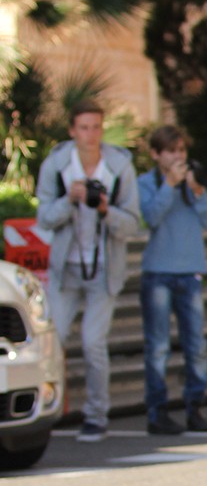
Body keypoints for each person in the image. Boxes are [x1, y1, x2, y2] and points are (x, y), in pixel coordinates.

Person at [35, 102, 140, 442]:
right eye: (84, 128)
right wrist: (70, 199)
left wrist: (106, 210)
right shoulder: (57, 164)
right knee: (54, 341)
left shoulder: (118, 165)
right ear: (72, 130)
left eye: (96, 127)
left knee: (94, 343)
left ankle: (96, 415)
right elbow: (45, 219)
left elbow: (132, 225)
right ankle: (46, 412)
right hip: (66, 269)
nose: (90, 135)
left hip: (104, 269)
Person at [137, 124, 207, 435]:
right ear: (156, 154)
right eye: (171, 151)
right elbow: (151, 217)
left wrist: (196, 191)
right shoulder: (147, 182)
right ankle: (157, 412)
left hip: (191, 271)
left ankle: (195, 407)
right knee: (157, 346)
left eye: (181, 150)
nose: (178, 157)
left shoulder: (193, 181)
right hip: (157, 272)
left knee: (196, 345)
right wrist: (169, 185)